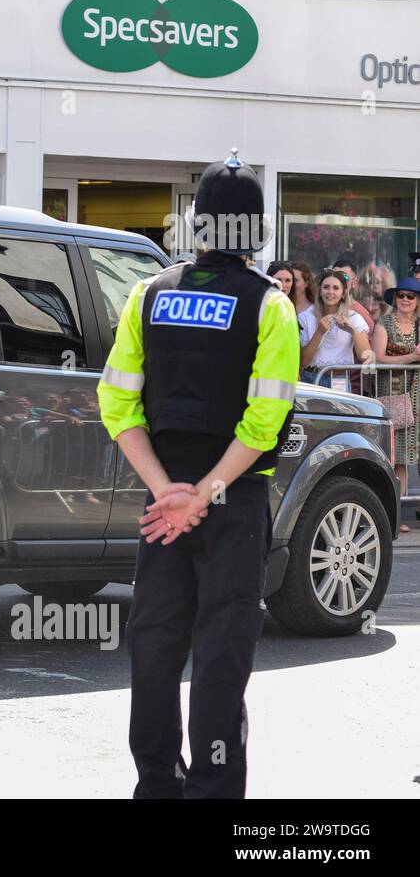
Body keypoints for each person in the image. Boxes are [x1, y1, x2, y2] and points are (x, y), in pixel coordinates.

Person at [98, 150, 299, 799]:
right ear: (258, 232)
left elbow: (116, 402)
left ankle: (157, 783)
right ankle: (213, 788)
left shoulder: (147, 294)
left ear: (198, 226)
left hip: (163, 500)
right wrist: (205, 495)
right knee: (220, 648)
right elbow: (263, 423)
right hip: (232, 501)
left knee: (155, 640)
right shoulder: (271, 308)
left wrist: (166, 492)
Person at [371, 277, 420, 531]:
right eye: (401, 295)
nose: (405, 300)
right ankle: (395, 514)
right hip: (394, 392)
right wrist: (412, 356)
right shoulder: (384, 323)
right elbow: (378, 359)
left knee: (412, 456)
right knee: (395, 457)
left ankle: (404, 510)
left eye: (411, 296)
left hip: (417, 394)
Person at [298, 269, 371, 386]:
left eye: (336, 288)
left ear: (343, 293)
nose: (330, 292)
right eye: (326, 287)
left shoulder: (354, 318)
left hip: (339, 379)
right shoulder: (306, 317)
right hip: (311, 378)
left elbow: (366, 357)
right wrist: (319, 333)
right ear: (320, 291)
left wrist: (353, 331)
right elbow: (303, 362)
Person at [331, 259, 375, 333]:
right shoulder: (320, 308)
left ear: (354, 283)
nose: (338, 281)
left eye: (344, 278)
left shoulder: (360, 314)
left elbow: (370, 343)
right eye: (335, 276)